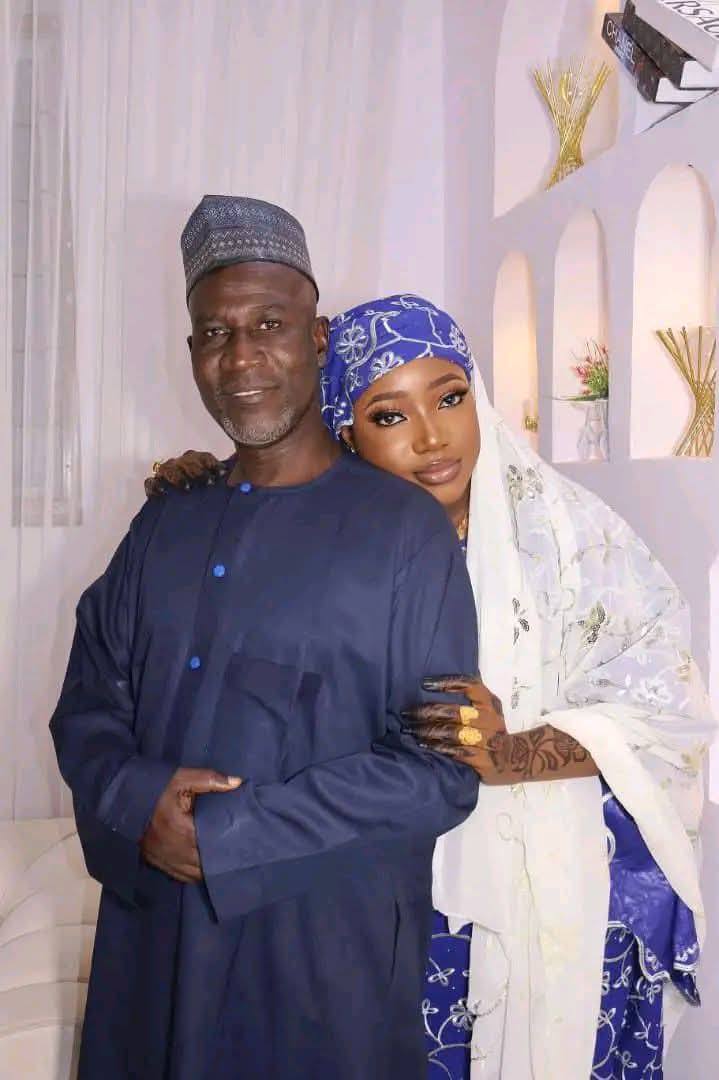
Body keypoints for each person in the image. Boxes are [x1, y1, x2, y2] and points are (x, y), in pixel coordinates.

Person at [154, 293, 713, 1079]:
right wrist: (209, 495)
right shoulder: (320, 539)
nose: (431, 437)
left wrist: (513, 754)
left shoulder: (566, 530)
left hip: (558, 881)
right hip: (375, 865)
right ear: (344, 431)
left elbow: (666, 705)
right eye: (389, 415)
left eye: (450, 398)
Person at [50, 200, 491, 1080]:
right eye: (216, 334)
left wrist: (228, 835)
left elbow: (437, 770)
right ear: (191, 354)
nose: (241, 357)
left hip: (321, 965)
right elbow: (87, 705)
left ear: (316, 339)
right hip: (154, 948)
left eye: (269, 325)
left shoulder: (404, 533)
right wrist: (138, 800)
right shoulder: (165, 521)